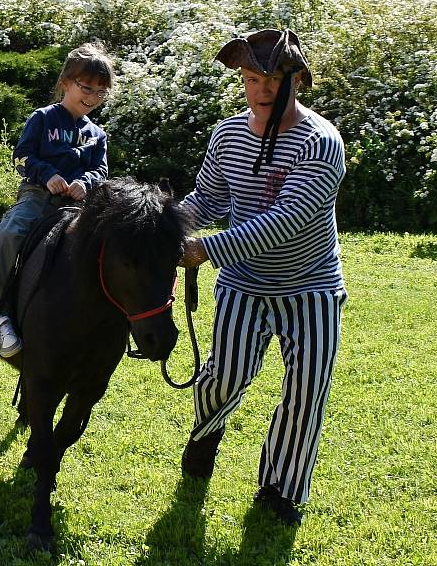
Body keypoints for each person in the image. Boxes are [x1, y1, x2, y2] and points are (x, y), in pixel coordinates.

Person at [178, 29, 348, 526]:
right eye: (252, 78)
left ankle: (279, 490)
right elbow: (206, 200)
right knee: (222, 379)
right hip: (243, 287)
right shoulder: (227, 135)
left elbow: (286, 221)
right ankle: (207, 429)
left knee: (306, 391)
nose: (262, 89)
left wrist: (207, 248)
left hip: (311, 287)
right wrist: (160, 228)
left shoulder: (321, 141)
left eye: (273, 77)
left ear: (295, 79)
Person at [0, 43, 114, 357]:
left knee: (113, 247)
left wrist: (86, 181)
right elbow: (22, 157)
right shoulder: (42, 119)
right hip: (38, 196)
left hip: (77, 204)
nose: (92, 97)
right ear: (66, 83)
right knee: (8, 234)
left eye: (100, 92)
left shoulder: (97, 134)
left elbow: (101, 169)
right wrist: (47, 174)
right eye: (86, 87)